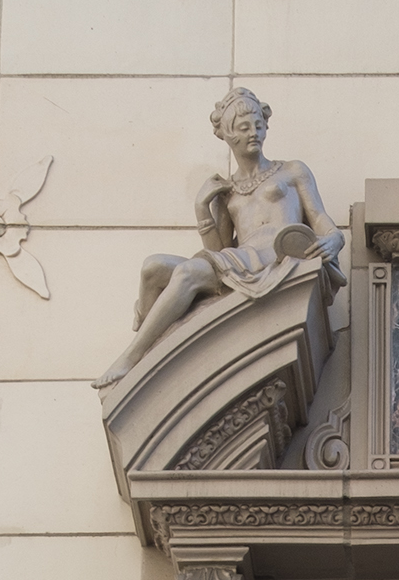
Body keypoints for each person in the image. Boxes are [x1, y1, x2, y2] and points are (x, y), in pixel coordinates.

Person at [94, 88, 344, 390]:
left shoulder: (292, 171)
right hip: (240, 261)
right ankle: (151, 349)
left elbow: (320, 219)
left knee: (188, 272)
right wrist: (202, 208)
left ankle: (130, 359)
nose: (254, 133)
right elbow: (217, 254)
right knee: (151, 268)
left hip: (277, 257)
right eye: (244, 128)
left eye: (258, 125)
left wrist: (334, 240)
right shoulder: (227, 192)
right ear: (227, 134)